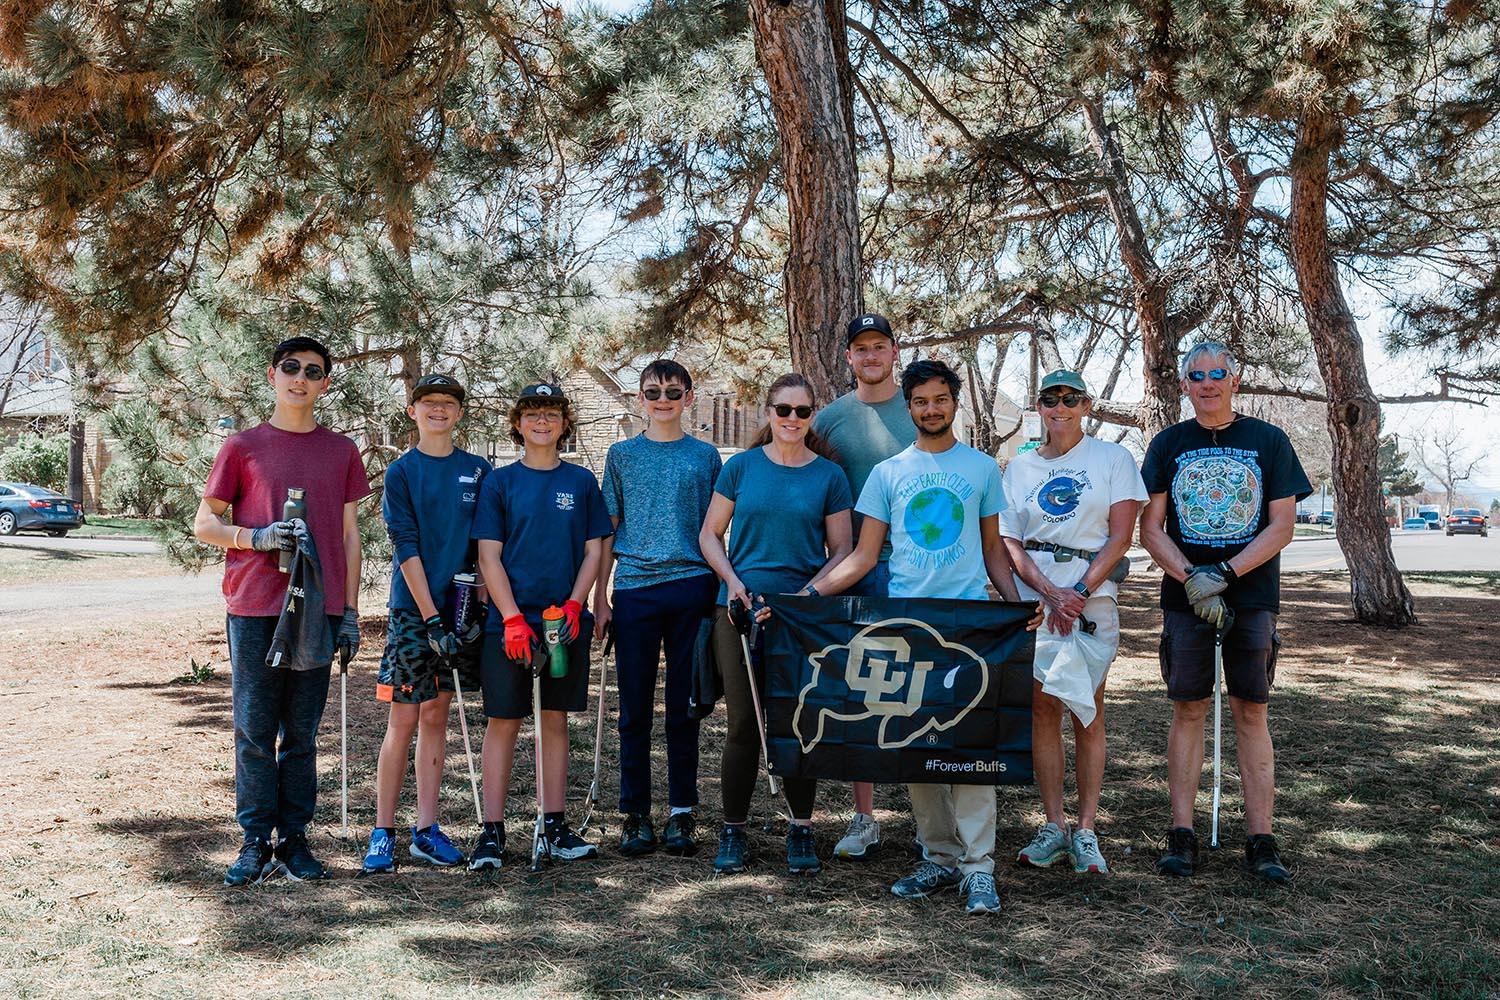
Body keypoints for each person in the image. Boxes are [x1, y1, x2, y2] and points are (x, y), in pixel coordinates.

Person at [792, 359, 1034, 916]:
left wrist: (1017, 601)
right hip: (908, 623)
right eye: (920, 401)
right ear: (909, 407)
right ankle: (939, 856)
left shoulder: (981, 470)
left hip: (969, 623)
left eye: (940, 399)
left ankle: (979, 869)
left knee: (971, 747)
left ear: (955, 403)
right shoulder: (887, 474)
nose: (931, 409)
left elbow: (994, 550)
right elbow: (862, 556)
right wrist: (807, 598)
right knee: (916, 742)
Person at [193, 336, 371, 886]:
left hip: (316, 611)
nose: (301, 378)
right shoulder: (242, 446)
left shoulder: (340, 451)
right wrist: (257, 535)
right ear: (273, 375)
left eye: (313, 371)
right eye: (291, 368)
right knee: (253, 730)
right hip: (255, 607)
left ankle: (294, 840)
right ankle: (253, 841)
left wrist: (349, 611)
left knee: (301, 732)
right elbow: (204, 525)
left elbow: (348, 535)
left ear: (325, 383)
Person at [1139, 342, 1310, 884]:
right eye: (1196, 375)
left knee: (1250, 711)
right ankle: (1182, 834)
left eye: (1217, 374)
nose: (1207, 383)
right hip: (1185, 598)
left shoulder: (1268, 441)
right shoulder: (1168, 443)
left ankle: (1261, 839)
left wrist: (1225, 575)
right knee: (1188, 709)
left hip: (1250, 595)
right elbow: (1150, 528)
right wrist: (1192, 579)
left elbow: (1281, 526)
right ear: (1185, 384)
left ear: (1234, 381)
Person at [699, 373, 853, 876]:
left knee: (796, 722)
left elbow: (844, 551)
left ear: (813, 416)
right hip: (739, 609)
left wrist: (806, 597)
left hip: (799, 616)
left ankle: (801, 828)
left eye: (802, 412)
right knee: (744, 722)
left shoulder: (829, 476)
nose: (791, 420)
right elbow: (710, 535)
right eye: (782, 410)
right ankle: (733, 830)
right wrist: (734, 585)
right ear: (767, 413)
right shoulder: (740, 468)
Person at [1000, 370, 1146, 875]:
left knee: (1088, 708)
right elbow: (1010, 540)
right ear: (1038, 406)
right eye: (1049, 399)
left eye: (1070, 398)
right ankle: (1053, 824)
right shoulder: (1019, 469)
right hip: (1037, 599)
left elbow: (1121, 537)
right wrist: (1048, 593)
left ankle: (1086, 828)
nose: (1059, 407)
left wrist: (1079, 593)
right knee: (1042, 708)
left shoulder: (1113, 459)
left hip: (1091, 600)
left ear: (1086, 404)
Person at [468, 383, 612, 868]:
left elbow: (595, 549)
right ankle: (491, 832)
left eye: (551, 413)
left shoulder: (582, 482)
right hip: (510, 622)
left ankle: (554, 826)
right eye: (532, 414)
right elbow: (489, 555)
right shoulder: (499, 482)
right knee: (503, 721)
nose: (542, 422)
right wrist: (510, 618)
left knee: (554, 719)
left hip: (562, 622)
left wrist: (576, 604)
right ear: (518, 424)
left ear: (564, 423)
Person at [362, 374, 493, 874]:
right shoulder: (401, 473)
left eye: (448, 403)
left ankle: (426, 829)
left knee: (438, 716)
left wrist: (475, 599)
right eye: (428, 402)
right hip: (415, 616)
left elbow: (485, 544)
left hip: (462, 615)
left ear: (460, 412)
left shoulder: (478, 470)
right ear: (412, 410)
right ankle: (383, 831)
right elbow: (407, 548)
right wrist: (433, 616)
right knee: (405, 718)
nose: (439, 410)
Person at [593, 360, 722, 857]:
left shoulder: (706, 456)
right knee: (634, 708)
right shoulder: (622, 455)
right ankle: (635, 814)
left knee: (684, 708)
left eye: (673, 391)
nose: (663, 399)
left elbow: (714, 530)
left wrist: (719, 591)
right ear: (640, 398)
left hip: (691, 585)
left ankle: (682, 814)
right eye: (653, 392)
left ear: (689, 397)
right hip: (635, 590)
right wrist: (600, 596)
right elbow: (608, 529)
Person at [811, 312, 917, 861]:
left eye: (880, 346)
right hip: (855, 567)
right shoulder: (828, 420)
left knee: (921, 688)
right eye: (861, 349)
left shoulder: (922, 409)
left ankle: (930, 820)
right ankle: (864, 816)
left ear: (894, 351)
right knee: (861, 688)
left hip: (922, 569)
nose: (870, 356)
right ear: (848, 357)